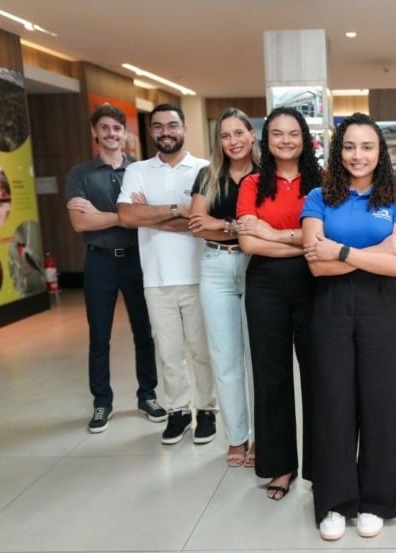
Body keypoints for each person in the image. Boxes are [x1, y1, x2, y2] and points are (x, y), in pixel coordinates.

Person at [301, 112, 396, 541]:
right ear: (338, 151)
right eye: (349, 146)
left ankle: (376, 500)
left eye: (367, 146)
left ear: (380, 152)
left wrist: (341, 251)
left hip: (382, 307)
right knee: (333, 401)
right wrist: (376, 252)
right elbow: (315, 265)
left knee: (381, 402)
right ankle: (334, 501)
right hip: (330, 306)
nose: (358, 155)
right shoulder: (318, 197)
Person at [117, 104, 218, 446]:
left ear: (184, 128)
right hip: (156, 278)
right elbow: (127, 217)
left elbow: (203, 222)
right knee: (169, 352)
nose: (165, 132)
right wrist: (178, 209)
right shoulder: (138, 171)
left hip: (200, 275)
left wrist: (150, 214)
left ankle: (206, 410)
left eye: (172, 125)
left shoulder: (204, 169)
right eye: (158, 126)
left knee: (202, 351)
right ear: (151, 132)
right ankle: (178, 412)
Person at [235, 107, 321, 500]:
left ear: (305, 139)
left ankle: (321, 465)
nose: (286, 140)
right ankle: (280, 465)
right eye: (277, 134)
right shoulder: (252, 183)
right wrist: (301, 241)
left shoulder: (323, 181)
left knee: (320, 377)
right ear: (266, 140)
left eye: (293, 133)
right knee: (271, 377)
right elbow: (248, 243)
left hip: (316, 286)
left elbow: (324, 239)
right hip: (265, 288)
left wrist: (272, 234)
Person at [66, 103, 163, 433]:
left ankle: (147, 395)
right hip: (100, 261)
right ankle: (102, 402)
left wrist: (102, 215)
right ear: (95, 132)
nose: (111, 134)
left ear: (125, 133)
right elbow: (80, 223)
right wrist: (126, 216)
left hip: (138, 259)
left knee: (144, 332)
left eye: (117, 128)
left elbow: (151, 217)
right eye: (105, 128)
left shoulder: (141, 171)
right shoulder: (80, 174)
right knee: (99, 335)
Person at [187, 108, 260, 466]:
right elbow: (197, 224)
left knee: (258, 358)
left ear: (251, 135)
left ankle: (262, 436)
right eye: (225, 135)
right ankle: (237, 437)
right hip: (216, 267)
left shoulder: (265, 175)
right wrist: (232, 225)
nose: (233, 141)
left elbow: (267, 225)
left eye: (239, 133)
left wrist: (218, 221)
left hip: (256, 265)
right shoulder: (208, 175)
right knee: (225, 357)